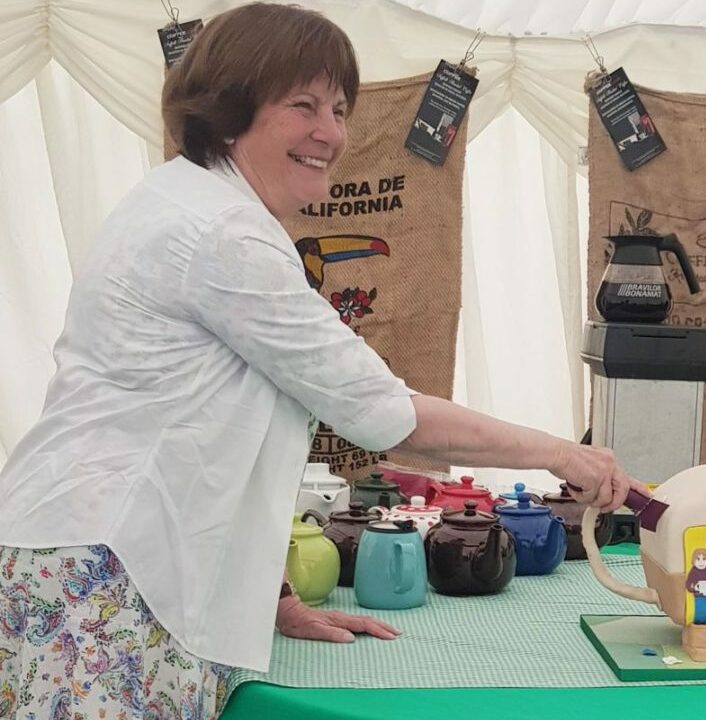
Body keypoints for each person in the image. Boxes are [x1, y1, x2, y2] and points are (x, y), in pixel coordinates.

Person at [0, 4, 646, 718]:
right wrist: (562, 453)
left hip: (92, 558)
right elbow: (385, 416)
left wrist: (270, 596)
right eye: (302, 105)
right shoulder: (223, 234)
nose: (330, 132)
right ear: (230, 108)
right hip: (110, 574)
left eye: (339, 108)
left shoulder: (189, 205)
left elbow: (206, 424)